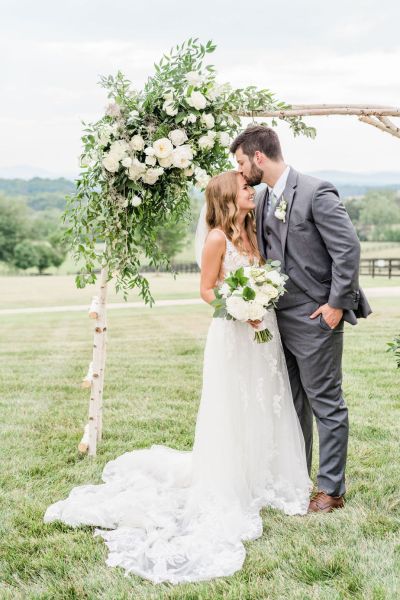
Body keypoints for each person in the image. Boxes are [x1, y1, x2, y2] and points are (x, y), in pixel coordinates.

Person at [44, 170, 311, 584]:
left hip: (264, 330)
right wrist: (239, 305)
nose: (252, 191)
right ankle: (232, 477)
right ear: (227, 197)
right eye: (245, 187)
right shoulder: (217, 238)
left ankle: (265, 476)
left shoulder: (255, 233)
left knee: (266, 399)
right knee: (233, 405)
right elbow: (206, 290)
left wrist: (260, 303)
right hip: (232, 331)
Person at [230, 125, 372, 513]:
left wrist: (336, 306)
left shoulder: (315, 191)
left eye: (242, 162)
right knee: (292, 405)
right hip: (277, 319)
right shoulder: (260, 200)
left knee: (325, 402)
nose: (241, 172)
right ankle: (297, 478)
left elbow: (348, 250)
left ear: (259, 157)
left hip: (316, 317)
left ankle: (331, 490)